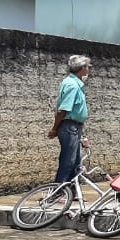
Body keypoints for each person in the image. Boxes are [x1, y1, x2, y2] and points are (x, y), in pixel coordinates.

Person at [48, 55, 91, 186]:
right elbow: (63, 110)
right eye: (87, 66)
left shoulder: (76, 84)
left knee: (76, 162)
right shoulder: (72, 85)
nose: (89, 69)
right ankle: (59, 192)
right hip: (69, 126)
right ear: (82, 68)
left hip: (75, 126)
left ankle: (71, 192)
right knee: (68, 160)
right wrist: (55, 128)